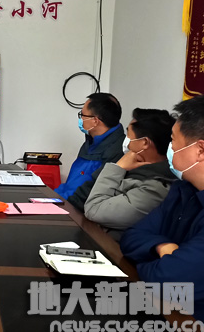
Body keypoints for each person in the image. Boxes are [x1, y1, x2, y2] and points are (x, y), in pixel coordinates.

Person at [121, 96, 204, 319]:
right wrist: (161, 247)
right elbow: (131, 236)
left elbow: (168, 280)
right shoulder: (182, 190)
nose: (170, 148)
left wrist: (146, 260)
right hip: (159, 309)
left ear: (200, 150)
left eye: (173, 141)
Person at [83, 108, 176, 240]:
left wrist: (117, 167)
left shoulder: (155, 187)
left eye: (129, 136)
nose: (126, 141)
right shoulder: (133, 167)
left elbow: (94, 209)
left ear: (144, 143)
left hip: (113, 248)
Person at [56, 93, 125, 210]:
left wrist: (58, 203)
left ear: (95, 121)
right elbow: (71, 184)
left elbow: (88, 193)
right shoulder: (91, 141)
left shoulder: (117, 151)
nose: (80, 119)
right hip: (64, 201)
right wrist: (52, 197)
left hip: (76, 210)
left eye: (82, 115)